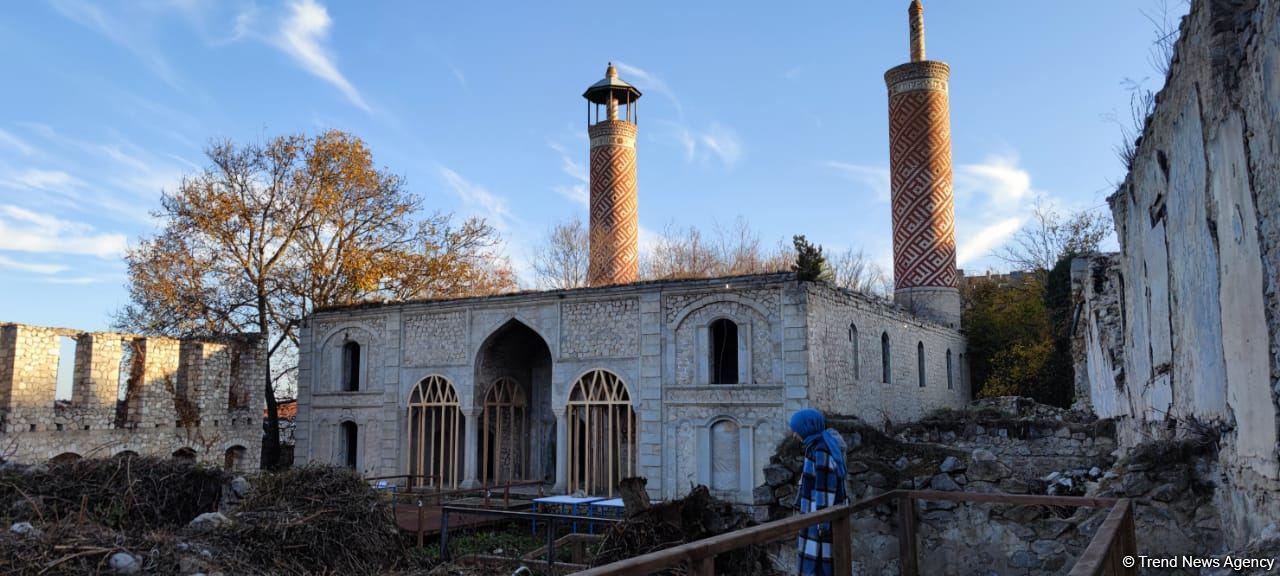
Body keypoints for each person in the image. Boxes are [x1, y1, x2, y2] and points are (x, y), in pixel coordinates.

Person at [790, 408, 849, 576]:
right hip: (815, 517)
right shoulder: (820, 444)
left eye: (797, 430)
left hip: (818, 520)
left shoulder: (820, 449)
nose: (794, 435)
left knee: (817, 567)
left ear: (807, 427)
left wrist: (822, 525)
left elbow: (824, 489)